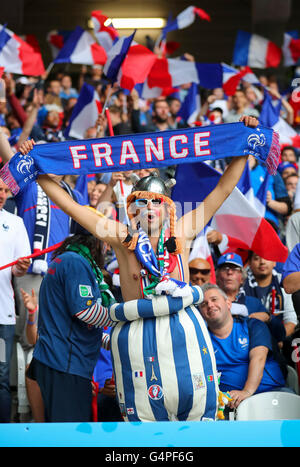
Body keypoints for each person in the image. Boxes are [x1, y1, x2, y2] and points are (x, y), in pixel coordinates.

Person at [19, 115, 260, 422]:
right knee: (142, 416)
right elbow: (72, 207)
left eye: (156, 202)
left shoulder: (183, 231)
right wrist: (37, 170)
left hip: (181, 328)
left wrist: (243, 143)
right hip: (136, 335)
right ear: (132, 207)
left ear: (167, 206)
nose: (149, 209)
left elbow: (223, 190)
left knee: (194, 410)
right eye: (142, 203)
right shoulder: (122, 237)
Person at [199, 284, 288, 411]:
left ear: (228, 303)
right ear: (201, 313)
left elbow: (258, 358)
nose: (210, 305)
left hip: (270, 394)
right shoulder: (200, 338)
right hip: (226, 404)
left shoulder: (253, 325)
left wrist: (246, 391)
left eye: (214, 299)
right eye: (203, 304)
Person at [0, 178, 31, 422]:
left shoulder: (15, 222)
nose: (1, 194)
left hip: (3, 316)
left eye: (4, 190)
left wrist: (21, 267)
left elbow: (19, 270)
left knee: (0, 376)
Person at [244, 252, 298, 342]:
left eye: (267, 257)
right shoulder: (242, 285)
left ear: (274, 262)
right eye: (257, 258)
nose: (262, 262)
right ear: (249, 263)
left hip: (279, 339)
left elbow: (291, 320)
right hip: (250, 339)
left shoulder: (284, 282)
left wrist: (278, 340)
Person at [216, 252, 269, 322]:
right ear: (217, 277)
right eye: (225, 269)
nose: (229, 272)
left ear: (242, 278)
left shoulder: (254, 304)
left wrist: (268, 318)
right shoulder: (209, 303)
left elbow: (279, 330)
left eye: (234, 269)